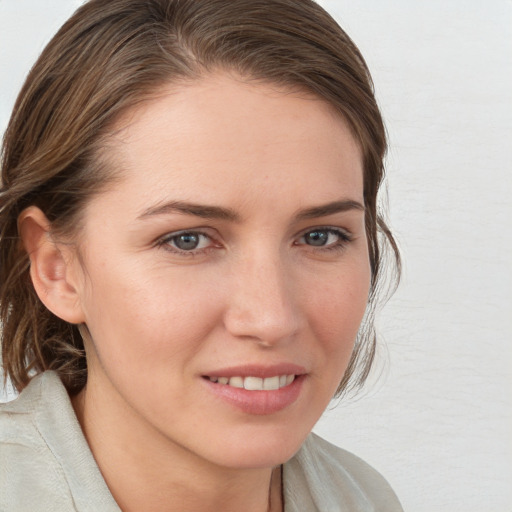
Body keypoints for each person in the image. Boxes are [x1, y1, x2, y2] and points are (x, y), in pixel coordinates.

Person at [0, 0, 402, 510]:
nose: (271, 319)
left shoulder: (364, 497)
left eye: (321, 236)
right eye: (187, 240)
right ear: (58, 268)